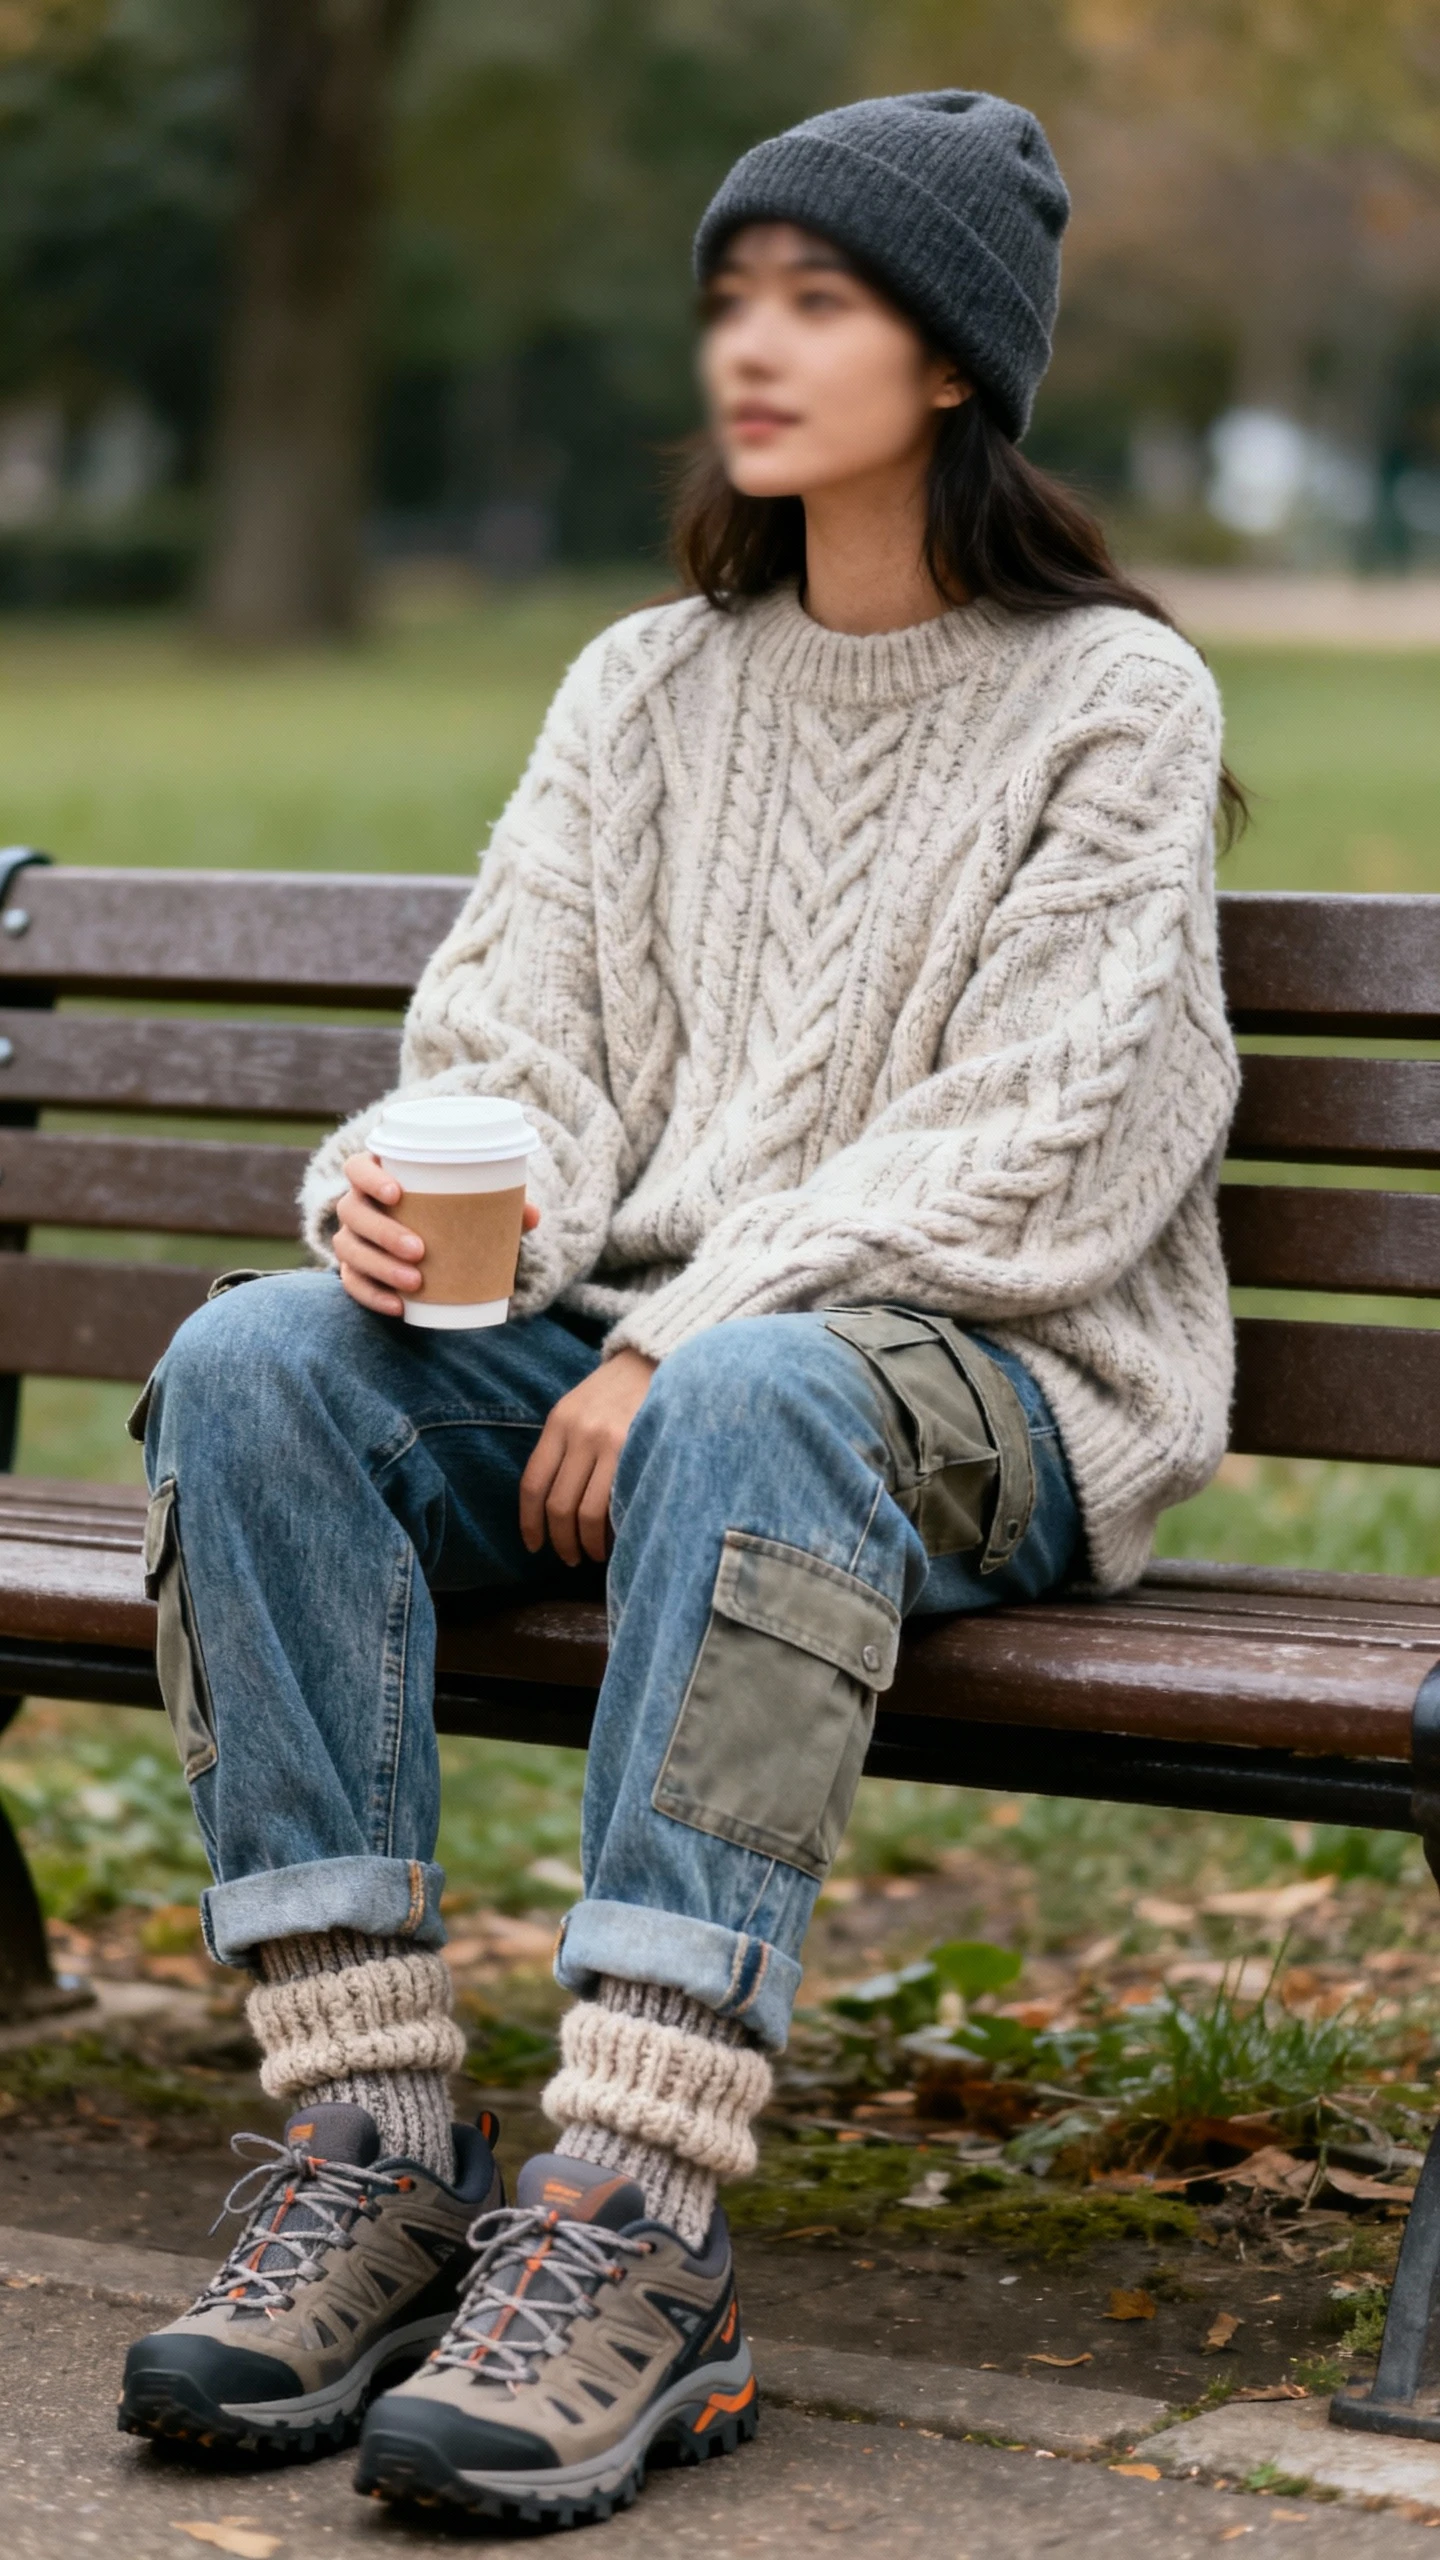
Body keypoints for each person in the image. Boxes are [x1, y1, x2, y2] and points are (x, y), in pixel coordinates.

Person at [118, 89, 1240, 2526]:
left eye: (821, 295)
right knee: (255, 1362)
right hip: (672, 1349)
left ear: (953, 359)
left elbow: (1042, 1138)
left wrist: (676, 1322)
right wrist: (392, 1208)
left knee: (745, 1385)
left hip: (992, 1372)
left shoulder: (1112, 704)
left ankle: (638, 2219)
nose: (753, 339)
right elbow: (503, 1034)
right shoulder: (647, 684)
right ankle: (377, 2146)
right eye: (736, 289)